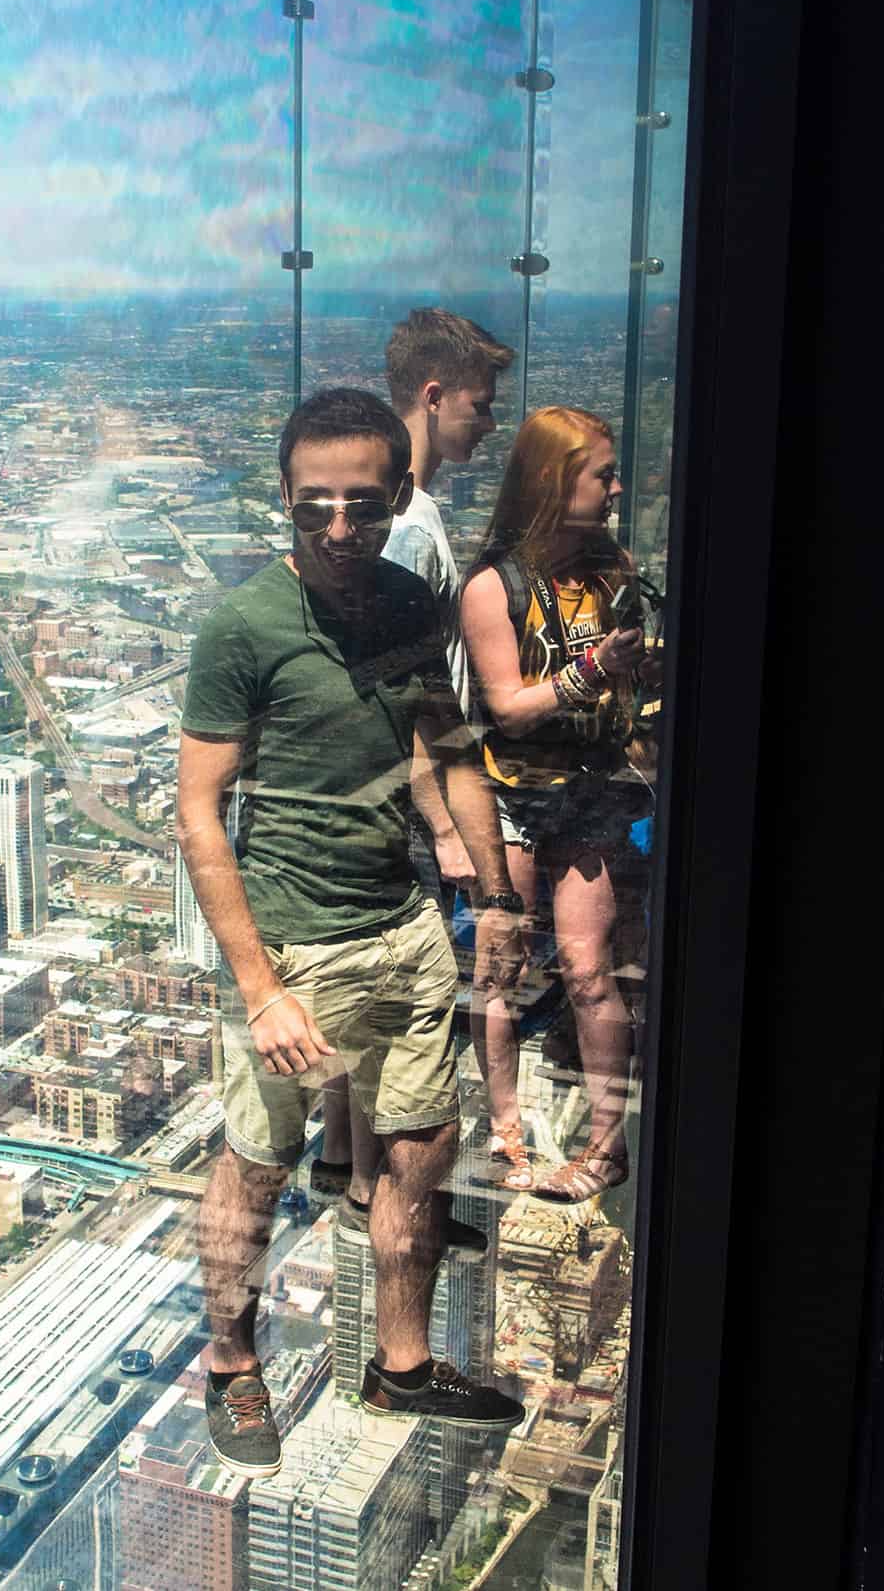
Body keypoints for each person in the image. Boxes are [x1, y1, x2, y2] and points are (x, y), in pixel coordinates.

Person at [181, 387, 526, 1478]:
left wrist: (497, 899)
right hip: (293, 948)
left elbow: (452, 745)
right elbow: (198, 809)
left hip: (404, 921)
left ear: (399, 497)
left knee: (423, 1145)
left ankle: (402, 1363)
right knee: (255, 1163)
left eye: (362, 507)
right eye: (313, 508)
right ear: (283, 500)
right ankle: (233, 1368)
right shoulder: (245, 629)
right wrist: (260, 988)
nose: (338, 531)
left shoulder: (413, 604)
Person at [313, 308, 517, 1202]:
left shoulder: (409, 517)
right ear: (433, 397)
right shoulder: (405, 525)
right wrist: (444, 824)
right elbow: (399, 702)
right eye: (480, 403)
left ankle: (347, 1171)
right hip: (398, 805)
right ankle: (374, 1192)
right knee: (391, 1014)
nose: (490, 421)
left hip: (391, 800)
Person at [459, 406, 653, 1203]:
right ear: (553, 481)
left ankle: (606, 1147)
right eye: (600, 474)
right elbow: (506, 705)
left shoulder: (615, 570)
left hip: (593, 786)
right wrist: (592, 671)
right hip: (513, 788)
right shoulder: (494, 586)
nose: (614, 488)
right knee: (500, 969)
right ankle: (508, 1135)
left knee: (585, 967)